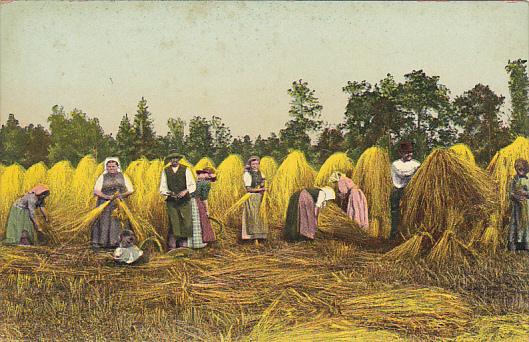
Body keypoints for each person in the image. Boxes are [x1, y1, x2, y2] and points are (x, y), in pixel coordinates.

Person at [91, 157, 134, 249]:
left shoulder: (124, 176)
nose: (111, 168)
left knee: (119, 221)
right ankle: (103, 243)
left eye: (113, 166)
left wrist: (121, 195)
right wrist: (106, 197)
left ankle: (118, 243)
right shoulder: (102, 177)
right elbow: (96, 190)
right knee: (104, 221)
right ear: (106, 167)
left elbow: (131, 190)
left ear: (117, 166)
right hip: (105, 202)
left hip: (120, 203)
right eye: (109, 166)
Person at [159, 152, 196, 250]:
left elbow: (192, 185)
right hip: (172, 201)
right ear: (170, 160)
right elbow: (162, 187)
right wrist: (168, 193)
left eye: (176, 158)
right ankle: (173, 247)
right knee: (174, 222)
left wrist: (185, 191)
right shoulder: (165, 171)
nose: (174, 160)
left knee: (186, 222)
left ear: (179, 159)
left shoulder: (186, 169)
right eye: (172, 158)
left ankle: (184, 246)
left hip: (185, 201)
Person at [390, 141, 420, 239]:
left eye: (411, 152)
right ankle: (394, 233)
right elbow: (402, 174)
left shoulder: (416, 163)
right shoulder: (396, 164)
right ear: (400, 153)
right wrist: (415, 171)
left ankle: (410, 231)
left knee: (411, 211)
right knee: (396, 212)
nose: (409, 154)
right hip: (398, 191)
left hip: (411, 191)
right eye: (406, 152)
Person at [242, 156, 268, 242]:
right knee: (252, 216)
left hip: (260, 198)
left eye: (256, 164)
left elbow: (263, 183)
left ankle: (261, 236)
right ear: (250, 165)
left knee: (260, 216)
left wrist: (263, 185)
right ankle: (252, 238)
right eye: (253, 164)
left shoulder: (261, 173)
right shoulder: (247, 174)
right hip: (251, 197)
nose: (255, 165)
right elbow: (248, 189)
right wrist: (260, 189)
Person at [508, 158, 529, 251]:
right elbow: (511, 193)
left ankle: (526, 244)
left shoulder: (528, 179)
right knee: (515, 223)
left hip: (527, 206)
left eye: (522, 169)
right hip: (517, 207)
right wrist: (516, 197)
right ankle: (513, 244)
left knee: (526, 224)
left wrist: (526, 194)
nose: (520, 170)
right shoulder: (514, 179)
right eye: (518, 169)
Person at [193, 168, 216, 244]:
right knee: (202, 221)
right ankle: (201, 242)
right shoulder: (206, 183)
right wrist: (207, 210)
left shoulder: (195, 182)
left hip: (190, 203)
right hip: (198, 203)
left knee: (194, 222)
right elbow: (204, 198)